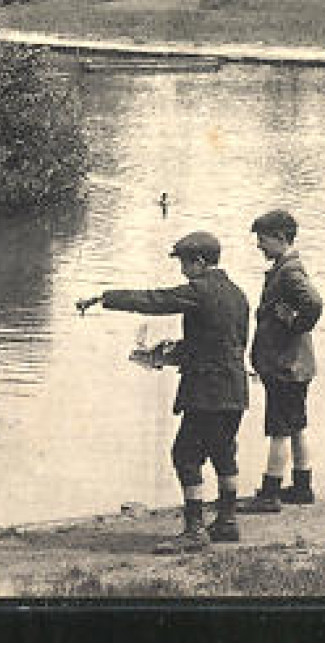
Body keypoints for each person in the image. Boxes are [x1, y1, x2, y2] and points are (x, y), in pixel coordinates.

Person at [76, 231, 250, 553]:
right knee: (224, 453)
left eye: (184, 264)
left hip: (207, 392)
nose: (182, 271)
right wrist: (173, 353)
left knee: (185, 455)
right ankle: (227, 521)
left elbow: (154, 300)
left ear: (198, 261)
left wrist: (105, 297)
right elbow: (227, 344)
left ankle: (194, 530)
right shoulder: (238, 294)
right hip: (235, 388)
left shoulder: (200, 290)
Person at [245, 209, 323, 512]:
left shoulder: (289, 270)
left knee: (278, 428)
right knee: (296, 425)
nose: (259, 246)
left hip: (285, 365)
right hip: (297, 364)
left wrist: (296, 324)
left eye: (262, 240)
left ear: (280, 238)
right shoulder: (287, 266)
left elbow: (314, 303)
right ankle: (302, 486)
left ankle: (270, 493)